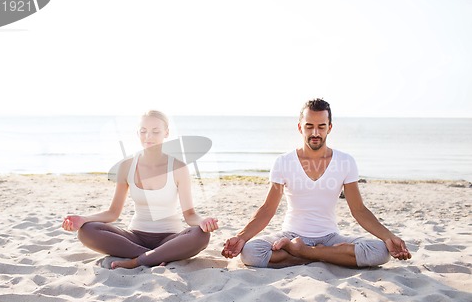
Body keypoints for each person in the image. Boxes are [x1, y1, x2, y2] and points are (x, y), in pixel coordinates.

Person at [221, 98, 411, 268]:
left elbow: (359, 210)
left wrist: (388, 237)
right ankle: (321, 256)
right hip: (291, 235)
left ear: (329, 127)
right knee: (251, 252)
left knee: (380, 251)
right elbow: (268, 209)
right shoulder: (283, 162)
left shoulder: (345, 162)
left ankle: (302, 253)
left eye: (321, 126)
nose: (315, 132)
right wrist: (241, 237)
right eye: (309, 126)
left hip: (329, 237)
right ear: (299, 127)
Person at [62, 110, 218, 269]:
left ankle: (137, 261)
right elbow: (113, 213)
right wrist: (84, 219)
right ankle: (154, 256)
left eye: (155, 131)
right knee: (87, 230)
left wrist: (202, 222)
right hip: (133, 238)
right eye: (143, 131)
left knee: (200, 235)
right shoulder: (126, 166)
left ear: (166, 133)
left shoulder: (178, 167)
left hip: (170, 239)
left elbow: (190, 215)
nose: (148, 136)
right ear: (137, 133)